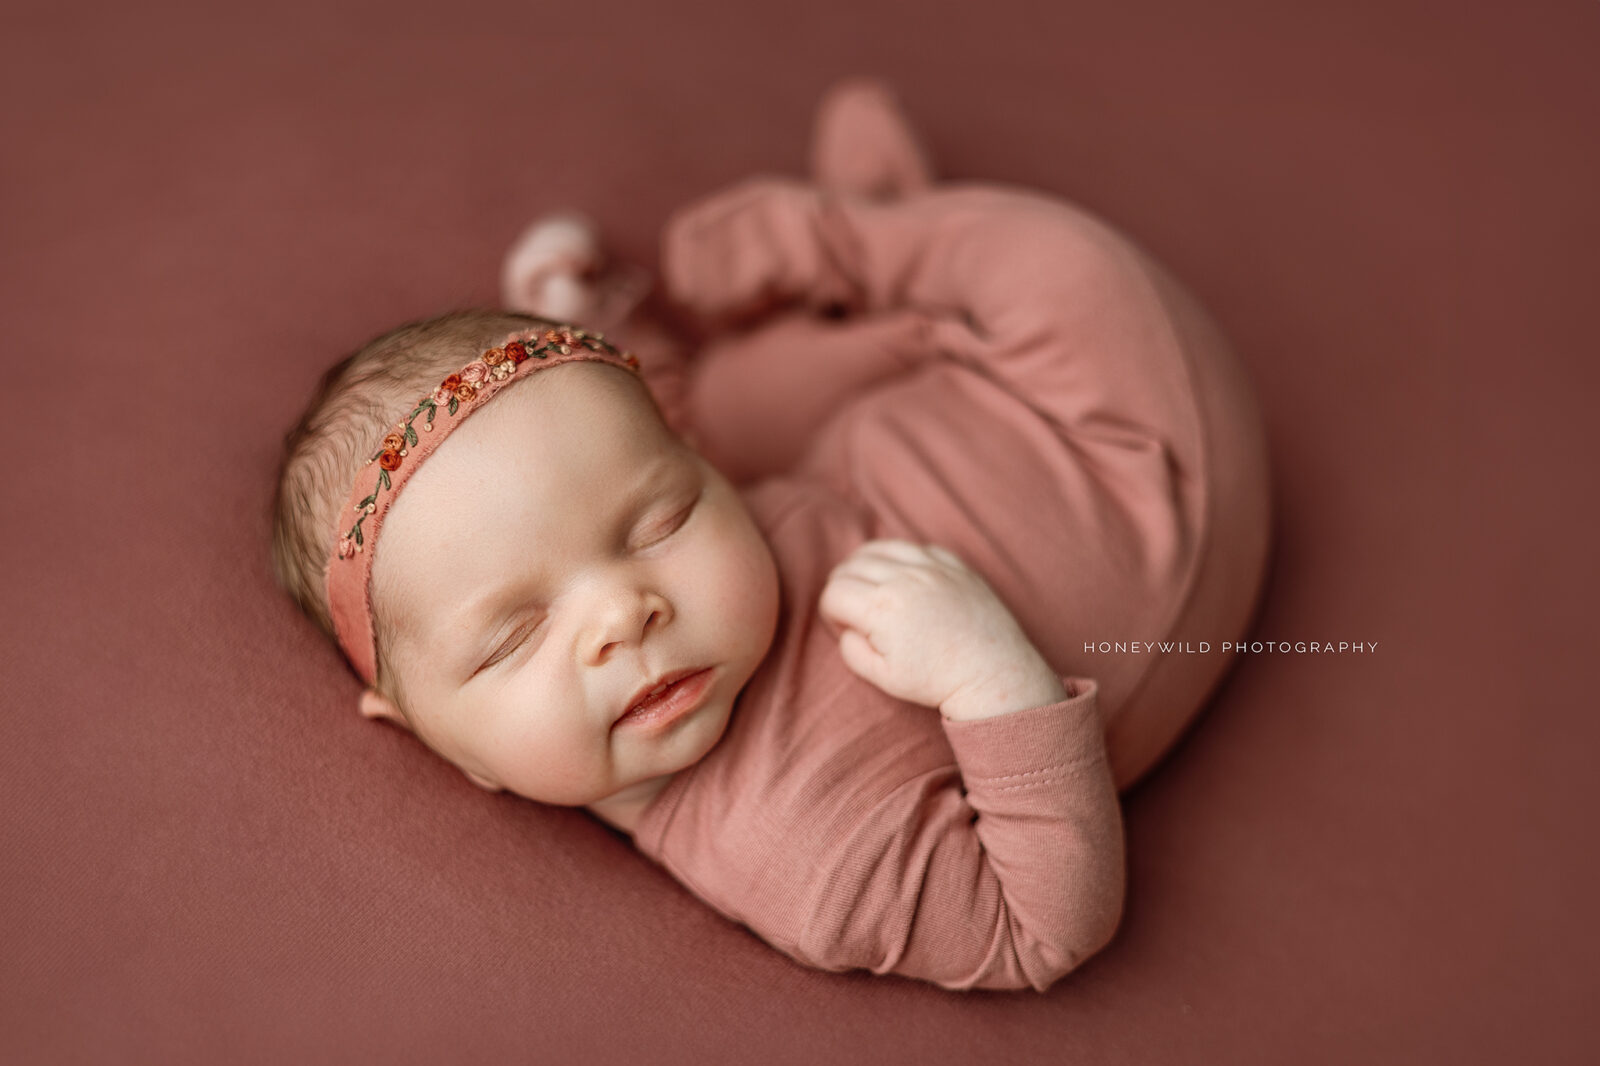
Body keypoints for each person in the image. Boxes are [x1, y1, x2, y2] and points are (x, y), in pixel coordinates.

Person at [269, 77, 1272, 992]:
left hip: (901, 413)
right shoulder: (798, 850)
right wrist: (992, 683)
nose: (623, 610)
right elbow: (1039, 930)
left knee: (717, 410)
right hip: (1139, 453)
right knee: (1071, 265)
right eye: (514, 634)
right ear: (426, 731)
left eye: (661, 522)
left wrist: (575, 333)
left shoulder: (707, 513)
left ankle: (847, 271)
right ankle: (850, 238)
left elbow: (660, 444)